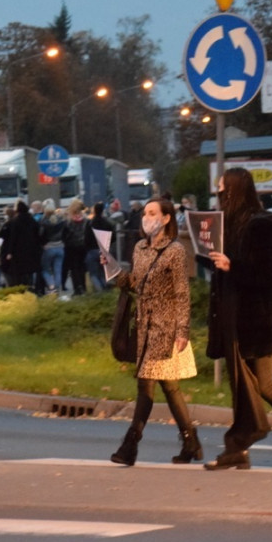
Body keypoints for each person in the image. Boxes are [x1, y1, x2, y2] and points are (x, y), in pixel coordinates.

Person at [203, 167, 272, 471]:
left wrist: (231, 265)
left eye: (224, 189)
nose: (220, 194)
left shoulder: (260, 225)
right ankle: (238, 447)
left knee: (262, 385)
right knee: (243, 386)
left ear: (237, 190)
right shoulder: (229, 224)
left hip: (256, 318)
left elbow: (267, 275)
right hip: (233, 315)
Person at [109, 198, 200, 466]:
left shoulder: (175, 250)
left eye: (153, 213)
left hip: (165, 326)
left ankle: (130, 445)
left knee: (145, 384)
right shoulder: (139, 248)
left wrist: (183, 330)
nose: (147, 218)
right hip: (143, 325)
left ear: (166, 218)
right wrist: (113, 269)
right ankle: (190, 442)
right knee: (169, 386)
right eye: (145, 214)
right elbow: (134, 283)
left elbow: (183, 293)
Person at [4, 200, 42, 291]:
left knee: (19, 272)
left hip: (18, 251)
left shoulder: (15, 221)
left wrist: (9, 252)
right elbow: (38, 234)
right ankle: (30, 286)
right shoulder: (32, 220)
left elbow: (13, 237)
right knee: (30, 271)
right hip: (31, 249)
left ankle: (21, 287)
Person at [84, 201, 115, 292]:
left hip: (92, 250)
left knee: (93, 274)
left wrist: (87, 248)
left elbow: (86, 238)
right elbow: (113, 236)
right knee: (103, 272)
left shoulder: (90, 223)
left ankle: (99, 291)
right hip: (104, 250)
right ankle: (105, 291)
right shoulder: (107, 223)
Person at [62, 199, 88, 295]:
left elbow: (64, 235)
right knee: (82, 268)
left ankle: (77, 288)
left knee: (74, 268)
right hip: (83, 246)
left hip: (71, 247)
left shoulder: (68, 221)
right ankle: (83, 286)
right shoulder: (85, 219)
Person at [39, 202, 65, 295]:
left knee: (45, 269)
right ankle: (57, 288)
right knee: (58, 270)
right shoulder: (61, 221)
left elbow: (41, 235)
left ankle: (51, 286)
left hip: (48, 247)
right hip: (60, 247)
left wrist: (42, 244)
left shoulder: (43, 222)